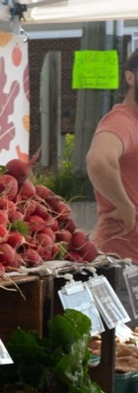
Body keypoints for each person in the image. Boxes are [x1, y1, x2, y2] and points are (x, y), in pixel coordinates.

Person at [87, 49, 138, 260]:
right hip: (126, 266)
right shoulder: (122, 121)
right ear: (130, 77)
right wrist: (125, 207)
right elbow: (99, 161)